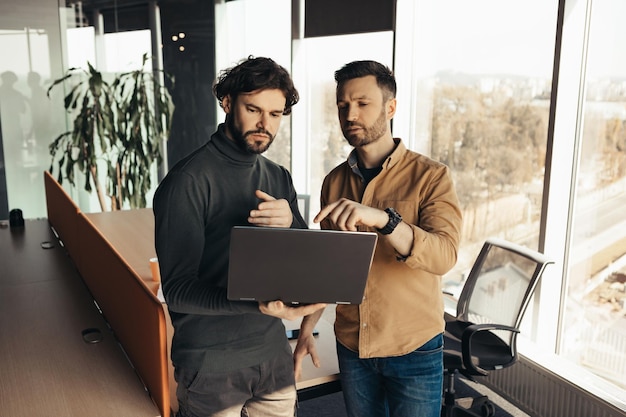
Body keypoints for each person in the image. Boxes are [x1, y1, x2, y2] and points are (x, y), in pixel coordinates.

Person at [153, 56, 326, 417]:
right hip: (210, 366)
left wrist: (291, 225)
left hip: (272, 355)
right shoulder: (188, 182)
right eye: (254, 109)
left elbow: (303, 267)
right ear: (227, 103)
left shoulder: (278, 177)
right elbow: (178, 291)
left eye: (276, 114)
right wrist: (254, 305)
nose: (265, 124)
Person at [300, 60, 463, 417]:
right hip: (352, 345)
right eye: (343, 105)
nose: (350, 114)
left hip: (413, 347)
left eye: (362, 103)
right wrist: (305, 331)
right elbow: (328, 271)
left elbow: (444, 256)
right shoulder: (334, 181)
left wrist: (386, 221)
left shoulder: (431, 177)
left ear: (390, 107)